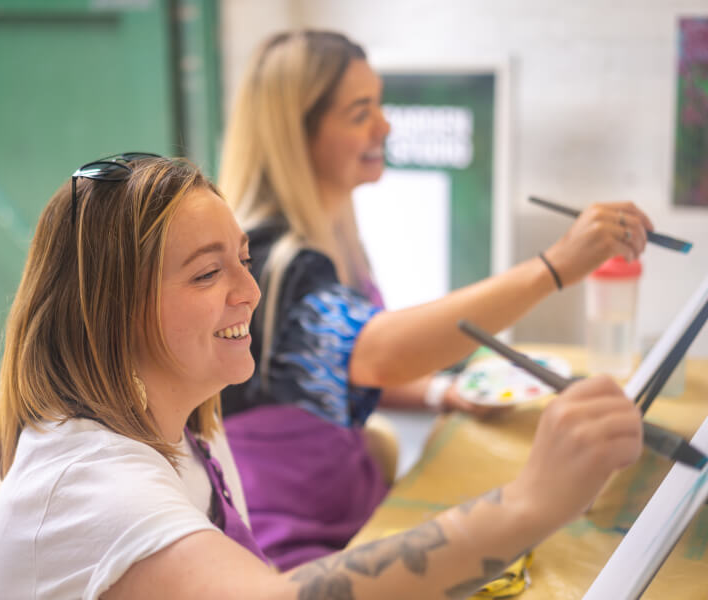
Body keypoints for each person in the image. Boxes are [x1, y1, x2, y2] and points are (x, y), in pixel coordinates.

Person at [0, 154, 642, 599]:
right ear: (112, 315)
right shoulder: (94, 486)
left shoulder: (185, 421)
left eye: (243, 260)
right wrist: (526, 506)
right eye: (209, 273)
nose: (251, 291)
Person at [218, 29, 655, 569]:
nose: (385, 125)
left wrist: (438, 394)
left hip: (355, 506)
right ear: (297, 136)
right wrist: (555, 267)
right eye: (360, 113)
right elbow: (380, 352)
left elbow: (342, 368)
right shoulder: (268, 264)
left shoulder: (334, 238)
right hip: (291, 546)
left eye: (378, 104)